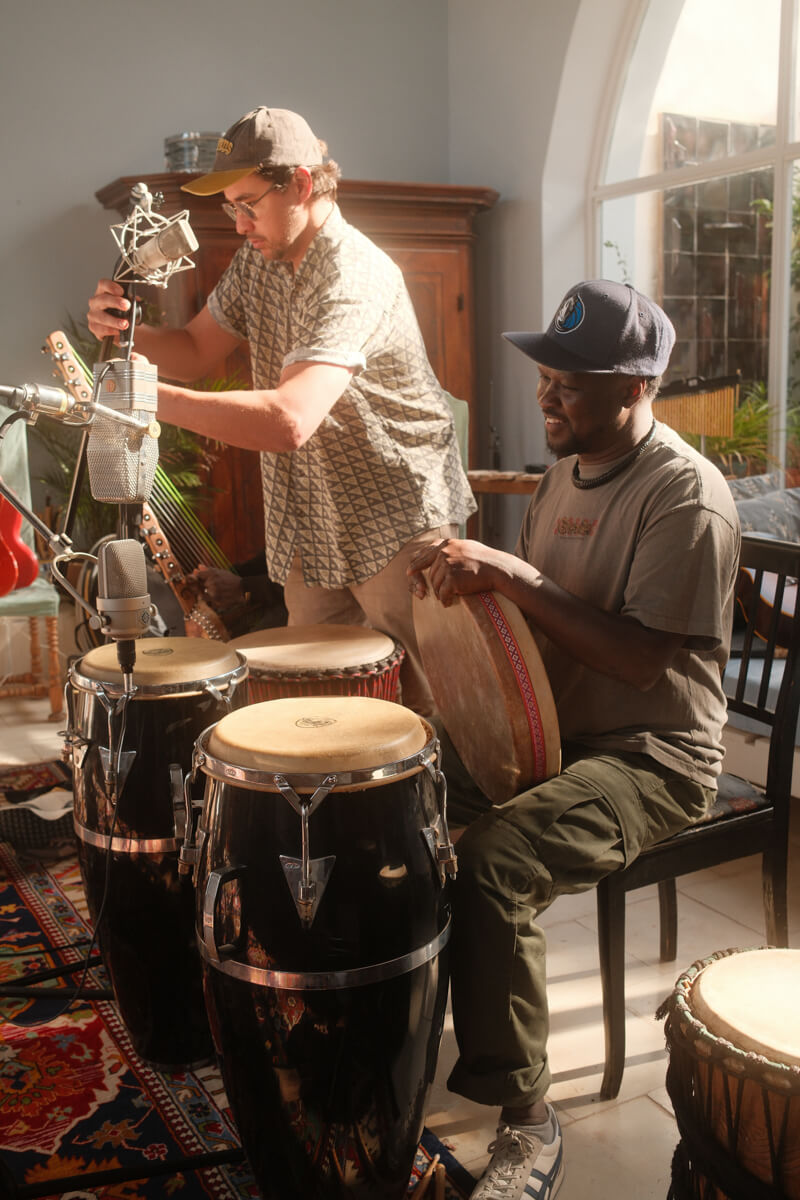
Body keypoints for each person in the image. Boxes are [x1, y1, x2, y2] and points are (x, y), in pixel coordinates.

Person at [407, 279, 740, 1200]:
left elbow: (639, 661)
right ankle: (389, 1037)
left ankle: (526, 1119)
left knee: (498, 860)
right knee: (400, 800)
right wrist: (467, 587)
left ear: (635, 388)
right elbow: (534, 622)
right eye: (545, 374)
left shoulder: (685, 497)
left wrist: (508, 572)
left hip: (655, 756)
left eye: (571, 381)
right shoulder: (563, 473)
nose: (547, 395)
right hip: (553, 733)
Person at [87, 106, 475, 716]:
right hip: (312, 523)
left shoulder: (354, 273)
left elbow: (289, 420)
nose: (239, 224)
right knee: (315, 713)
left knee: (419, 712)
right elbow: (191, 352)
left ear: (300, 182)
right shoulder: (258, 261)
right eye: (231, 208)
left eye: (249, 204)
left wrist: (143, 400)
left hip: (394, 520)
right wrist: (128, 328)